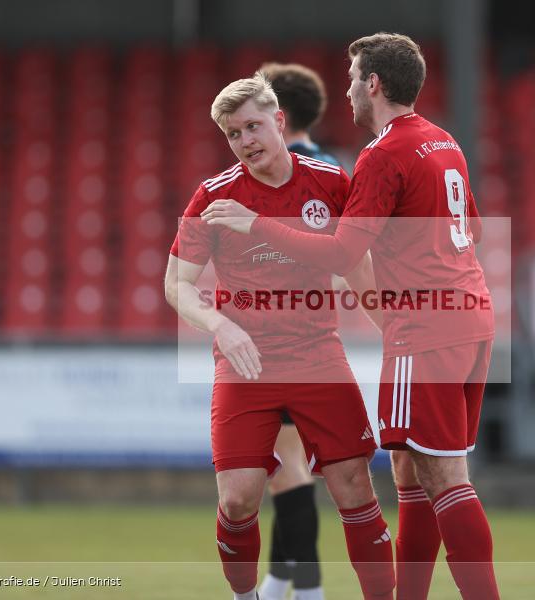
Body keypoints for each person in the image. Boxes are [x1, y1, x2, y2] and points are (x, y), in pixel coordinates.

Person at [201, 33, 500, 600]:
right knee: (412, 472)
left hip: (426, 326)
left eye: (352, 79)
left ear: (374, 84)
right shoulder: (443, 142)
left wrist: (256, 224)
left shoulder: (384, 153)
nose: (347, 92)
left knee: (444, 479)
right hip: (471, 315)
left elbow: (340, 253)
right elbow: (475, 230)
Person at [164, 73, 395, 600]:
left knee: (355, 486)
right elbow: (176, 284)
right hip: (246, 365)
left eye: (253, 126)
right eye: (232, 134)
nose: (245, 141)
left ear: (280, 122)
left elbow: (358, 268)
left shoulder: (331, 182)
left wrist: (394, 334)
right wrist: (220, 324)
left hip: (317, 355)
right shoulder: (214, 197)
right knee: (239, 500)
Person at [255, 61, 341, 600]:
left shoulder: (275, 173)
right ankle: (278, 582)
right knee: (288, 469)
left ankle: (306, 589)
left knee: (287, 472)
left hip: (276, 338)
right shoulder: (332, 168)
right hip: (314, 335)